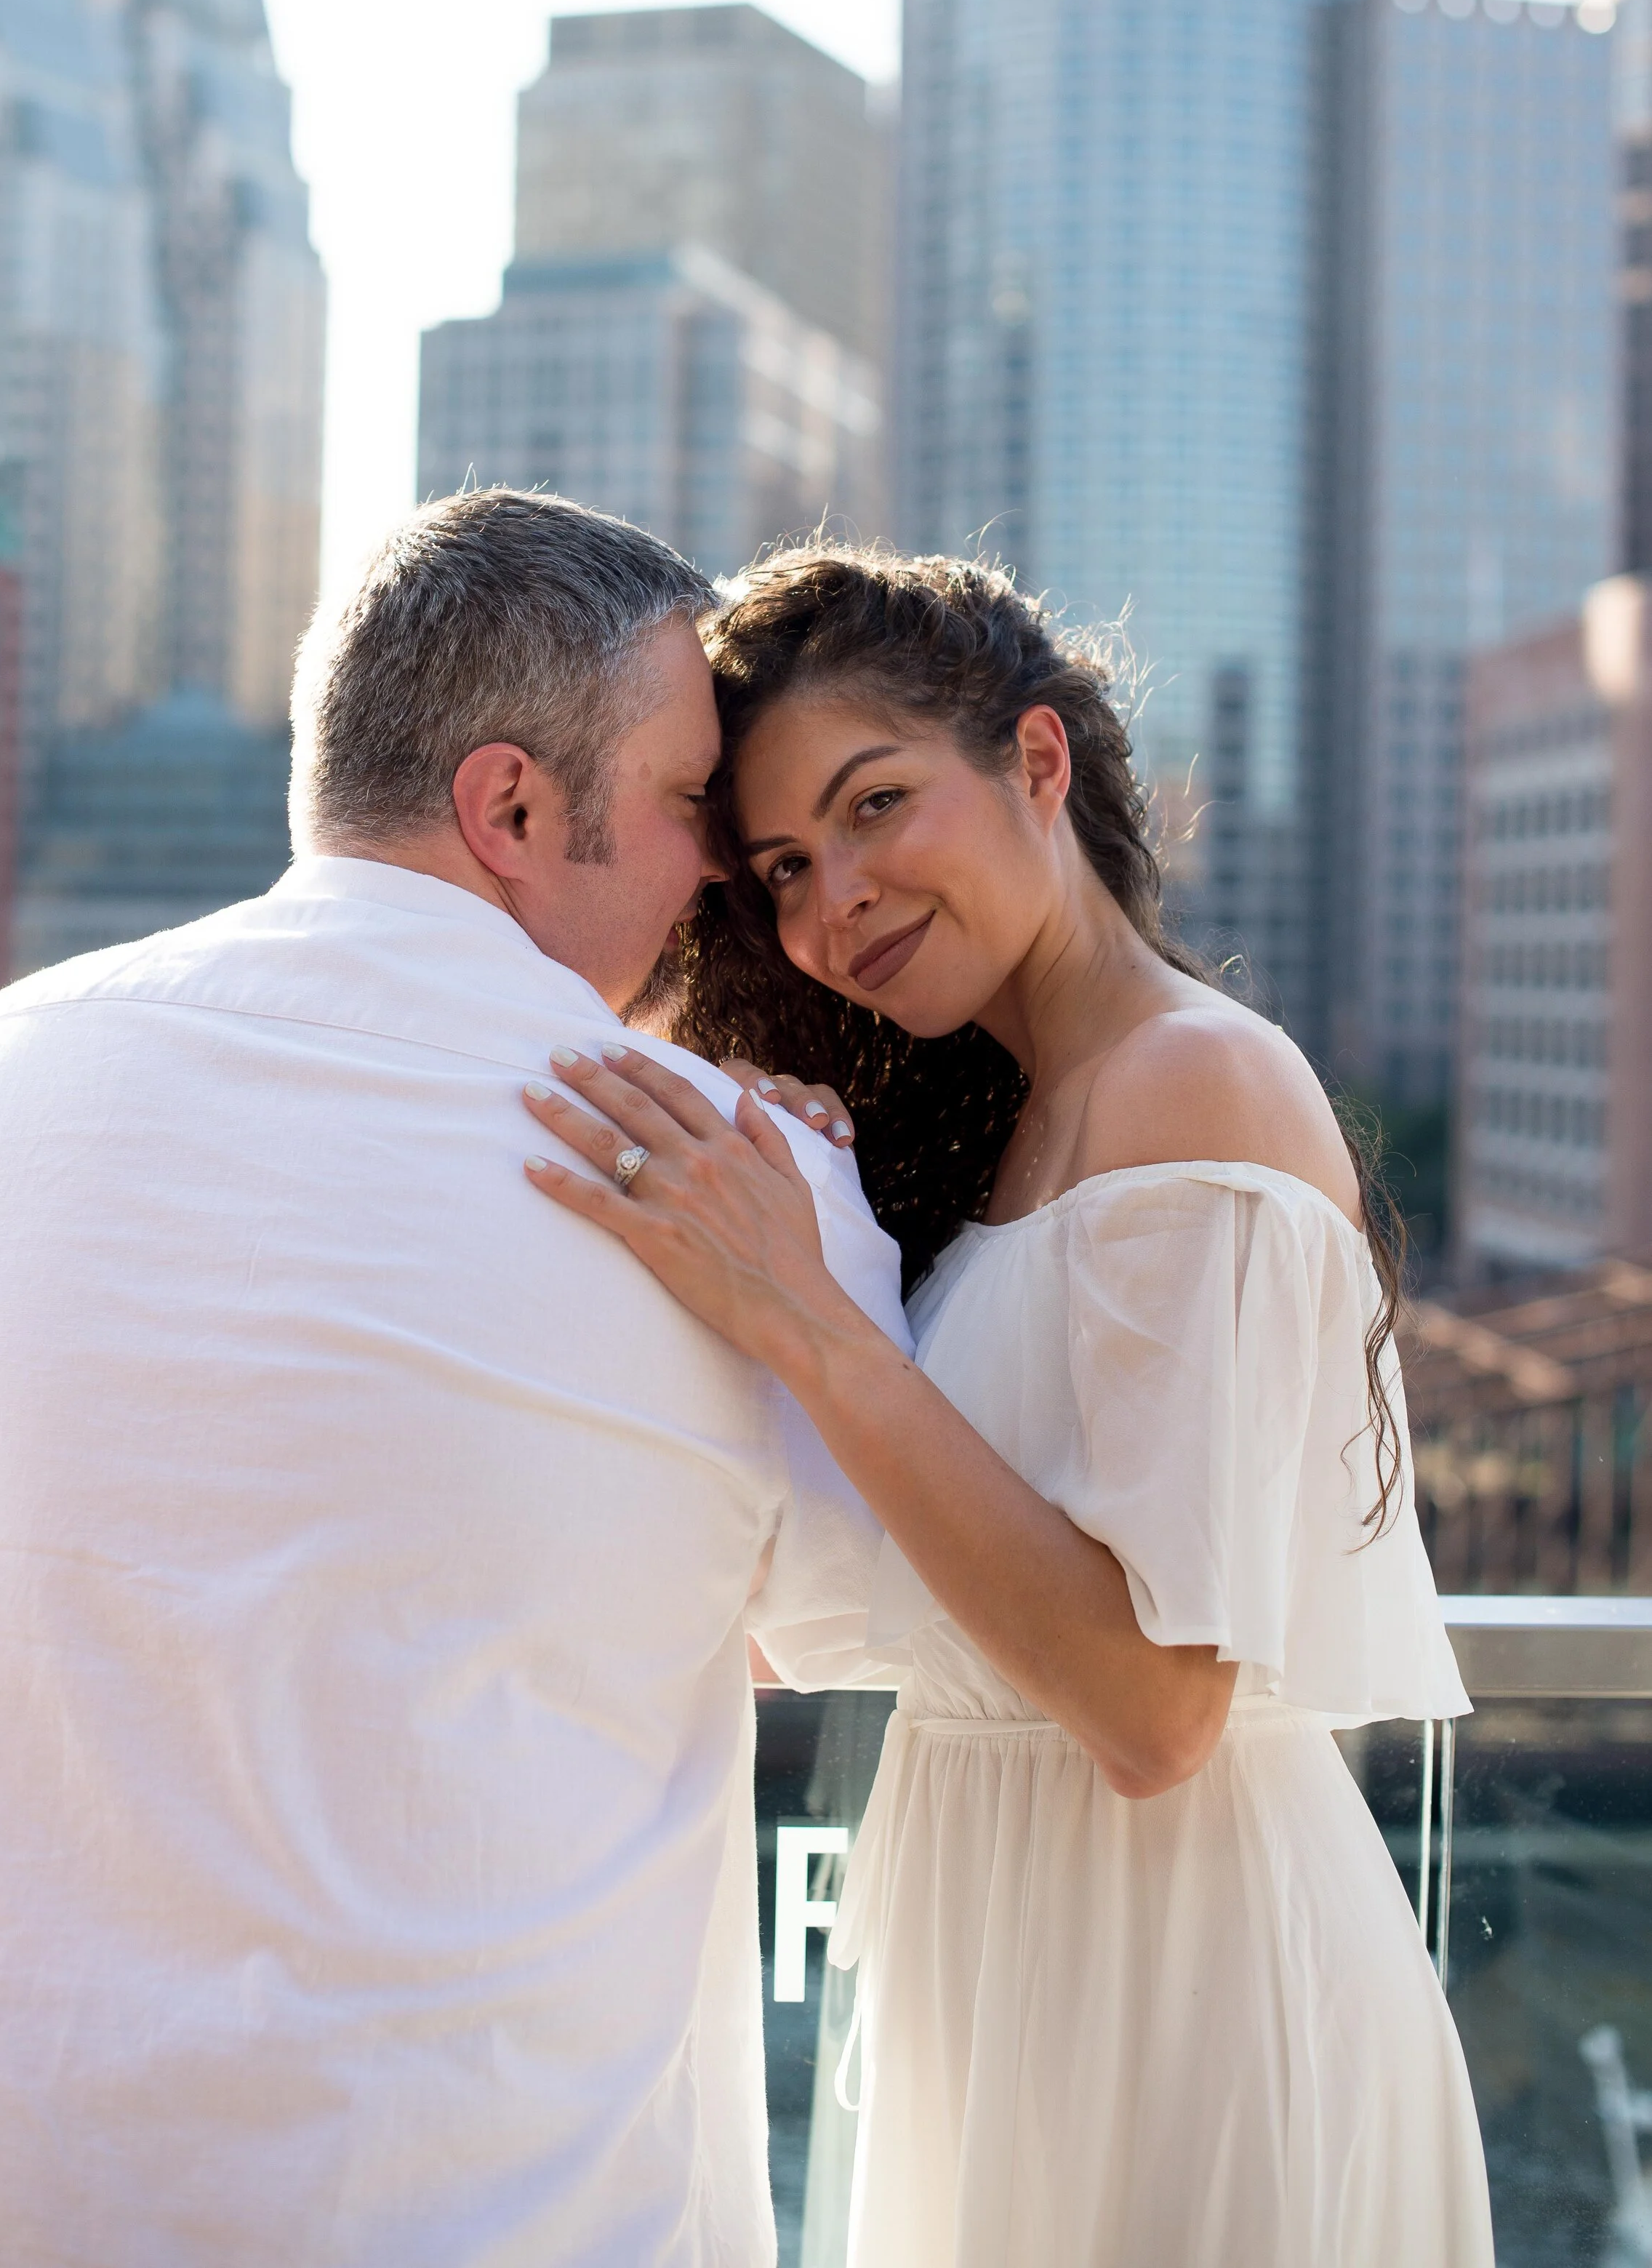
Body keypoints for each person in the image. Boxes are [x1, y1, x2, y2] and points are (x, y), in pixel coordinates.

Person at [0, 492, 907, 2268]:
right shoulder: (731, 1185)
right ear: (508, 809)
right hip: (475, 2212)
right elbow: (880, 1625)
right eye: (685, 808)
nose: (716, 868)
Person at [521, 545, 1496, 2268]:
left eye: (875, 803)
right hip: (1006, 1950)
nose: (835, 902)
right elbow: (888, 1602)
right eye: (781, 868)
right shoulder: (1019, 1128)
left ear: (1036, 765)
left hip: (1177, 1984)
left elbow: (1149, 1712)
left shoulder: (1189, 1081)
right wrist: (803, 1229)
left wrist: (814, 1322)